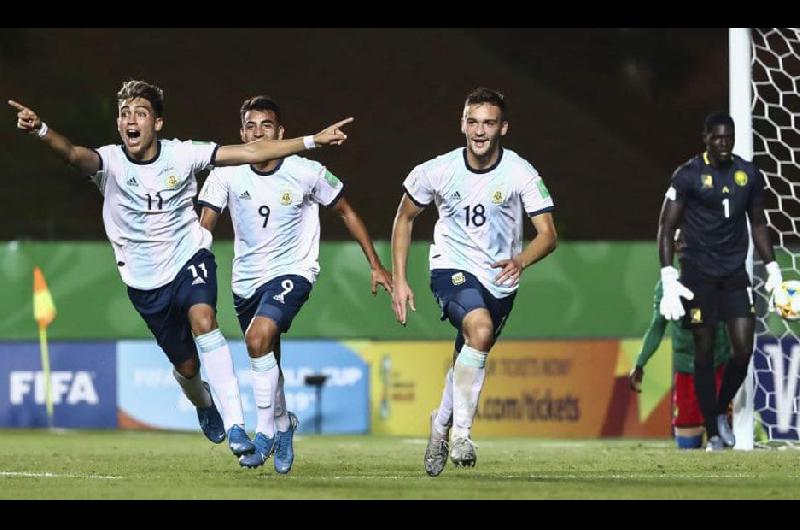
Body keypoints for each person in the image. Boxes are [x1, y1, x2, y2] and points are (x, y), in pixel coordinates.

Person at [8, 80, 352, 459]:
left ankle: (238, 426)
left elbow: (253, 150)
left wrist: (312, 141)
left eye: (140, 113)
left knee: (205, 319)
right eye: (124, 114)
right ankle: (203, 402)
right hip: (144, 281)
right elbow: (74, 154)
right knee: (187, 365)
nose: (130, 120)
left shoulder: (185, 155)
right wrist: (41, 129)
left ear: (158, 123)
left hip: (189, 258)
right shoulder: (110, 163)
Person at [198, 95, 392, 473]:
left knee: (257, 339)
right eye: (250, 126)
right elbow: (205, 226)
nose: (258, 133)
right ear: (240, 133)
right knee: (267, 356)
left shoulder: (306, 172)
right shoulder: (225, 173)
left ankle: (265, 433)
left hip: (293, 271)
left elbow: (346, 212)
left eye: (266, 125)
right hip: (245, 282)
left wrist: (376, 265)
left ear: (280, 132)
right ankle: (285, 425)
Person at [390, 87, 557, 476]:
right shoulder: (438, 170)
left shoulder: (520, 172)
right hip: (451, 267)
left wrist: (521, 259)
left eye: (489, 123)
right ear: (462, 123)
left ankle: (440, 423)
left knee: (471, 348)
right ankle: (462, 434)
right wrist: (399, 278)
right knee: (479, 329)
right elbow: (405, 217)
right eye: (473, 121)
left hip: (501, 279)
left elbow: (548, 233)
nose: (480, 131)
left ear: (504, 128)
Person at [657, 112, 782, 451]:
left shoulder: (748, 175)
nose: (723, 143)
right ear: (706, 138)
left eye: (729, 138)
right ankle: (713, 431)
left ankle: (717, 414)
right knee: (705, 352)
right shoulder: (687, 176)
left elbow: (757, 224)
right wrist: (669, 275)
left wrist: (772, 268)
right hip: (698, 274)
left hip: (734, 274)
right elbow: (666, 228)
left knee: (743, 350)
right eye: (717, 138)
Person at [630, 229, 731, 449]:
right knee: (688, 445)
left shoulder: (720, 278)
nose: (685, 246)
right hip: (687, 373)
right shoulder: (666, 287)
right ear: (674, 247)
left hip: (718, 369)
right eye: (680, 242)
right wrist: (640, 362)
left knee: (726, 445)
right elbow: (657, 327)